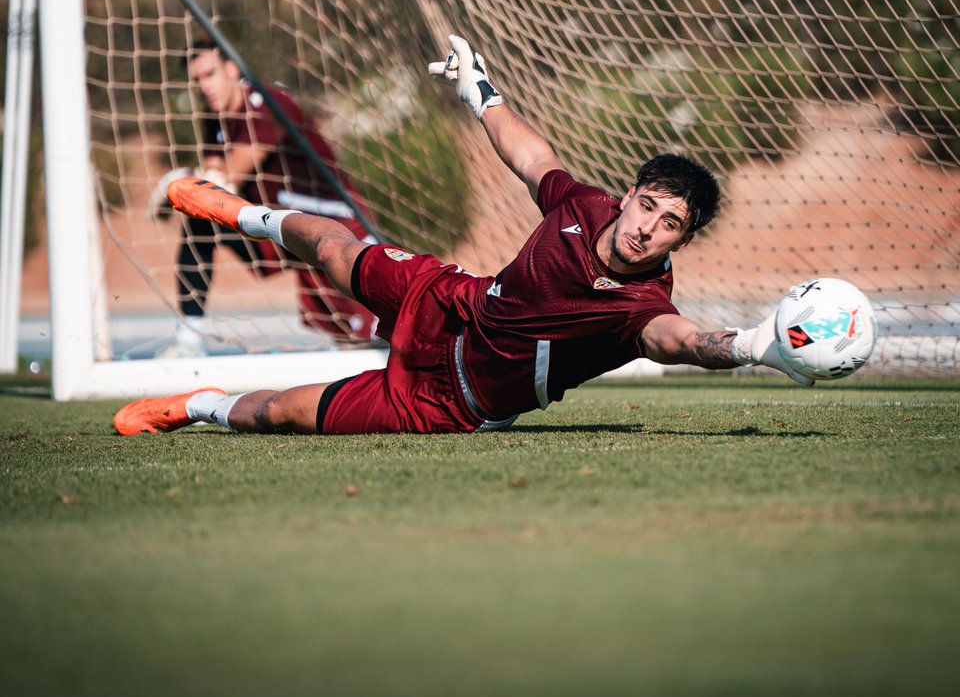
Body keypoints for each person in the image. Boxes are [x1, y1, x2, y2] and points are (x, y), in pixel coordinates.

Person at [115, 33, 812, 437]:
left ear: (678, 244)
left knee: (280, 413)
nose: (648, 229)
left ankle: (191, 406)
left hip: (447, 400)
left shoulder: (642, 309)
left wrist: (756, 347)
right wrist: (482, 91)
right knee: (333, 246)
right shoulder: (585, 204)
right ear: (629, 196)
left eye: (669, 226)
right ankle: (230, 209)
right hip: (448, 301)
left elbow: (682, 342)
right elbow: (533, 157)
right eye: (649, 206)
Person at [148, 38, 377, 357]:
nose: (203, 86)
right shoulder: (214, 118)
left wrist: (177, 183)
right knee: (198, 225)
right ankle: (188, 340)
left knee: (366, 344)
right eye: (196, 80)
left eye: (210, 74)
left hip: (331, 224)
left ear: (231, 69)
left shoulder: (267, 102)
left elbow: (225, 179)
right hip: (277, 224)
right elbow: (211, 179)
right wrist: (187, 191)